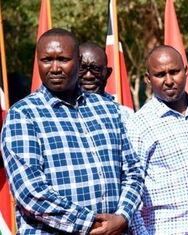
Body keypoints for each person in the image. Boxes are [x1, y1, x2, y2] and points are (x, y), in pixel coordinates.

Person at [0, 28, 144, 234]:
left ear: (78, 60)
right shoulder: (23, 115)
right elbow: (31, 192)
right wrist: (91, 224)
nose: (55, 68)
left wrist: (122, 216)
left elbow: (133, 172)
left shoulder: (107, 109)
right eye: (47, 60)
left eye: (63, 59)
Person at [126, 45, 188, 234]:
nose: (169, 81)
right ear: (148, 79)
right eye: (160, 75)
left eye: (174, 72)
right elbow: (131, 187)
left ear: (185, 72)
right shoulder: (138, 125)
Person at [78, 42, 134, 122]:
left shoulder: (124, 115)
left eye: (96, 69)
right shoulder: (58, 111)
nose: (88, 76)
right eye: (81, 68)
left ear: (108, 73)